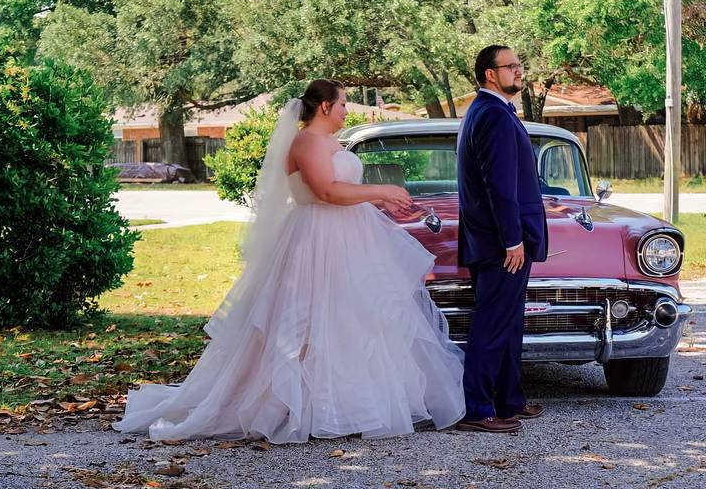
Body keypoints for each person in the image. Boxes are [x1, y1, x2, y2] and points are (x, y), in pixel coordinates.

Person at [114, 79, 465, 443]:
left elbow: (343, 191)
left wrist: (381, 200)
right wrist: (381, 190)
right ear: (325, 107)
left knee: (353, 319)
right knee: (312, 319)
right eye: (343, 104)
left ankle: (352, 405)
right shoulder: (307, 141)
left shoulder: (330, 142)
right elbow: (325, 190)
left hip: (350, 236)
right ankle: (304, 406)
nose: (347, 110)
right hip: (319, 239)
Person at [455, 45, 548, 433]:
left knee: (510, 323)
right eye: (512, 66)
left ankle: (509, 400)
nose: (520, 71)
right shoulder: (492, 115)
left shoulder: (493, 111)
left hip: (499, 241)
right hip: (500, 244)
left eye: (519, 65)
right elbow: (499, 187)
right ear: (490, 74)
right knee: (493, 324)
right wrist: (513, 240)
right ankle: (476, 409)